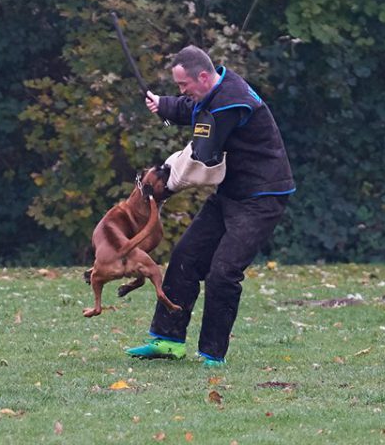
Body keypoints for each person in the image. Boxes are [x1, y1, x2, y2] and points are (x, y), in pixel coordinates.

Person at [124, 45, 295, 367]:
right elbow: (191, 107)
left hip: (261, 198)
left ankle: (213, 355)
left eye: (182, 85)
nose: (182, 91)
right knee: (186, 257)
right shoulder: (214, 93)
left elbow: (201, 159)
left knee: (223, 273)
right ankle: (168, 340)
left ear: (203, 76)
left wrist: (163, 186)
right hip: (230, 193)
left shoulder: (229, 104)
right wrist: (163, 105)